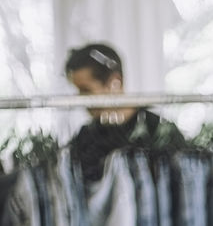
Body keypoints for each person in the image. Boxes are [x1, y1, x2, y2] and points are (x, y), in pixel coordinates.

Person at [64, 42, 186, 183]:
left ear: (115, 82)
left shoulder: (161, 133)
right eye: (78, 91)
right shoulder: (85, 136)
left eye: (86, 90)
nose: (81, 100)